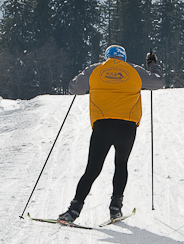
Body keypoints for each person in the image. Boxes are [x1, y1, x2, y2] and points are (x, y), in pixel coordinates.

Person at [58, 45, 164, 222]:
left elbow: (75, 89)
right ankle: (115, 209)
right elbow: (158, 82)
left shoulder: (95, 69)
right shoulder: (134, 71)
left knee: (92, 169)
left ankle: (73, 211)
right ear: (123, 57)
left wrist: (82, 76)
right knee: (121, 165)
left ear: (107, 56)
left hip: (103, 125)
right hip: (127, 127)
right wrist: (152, 65)